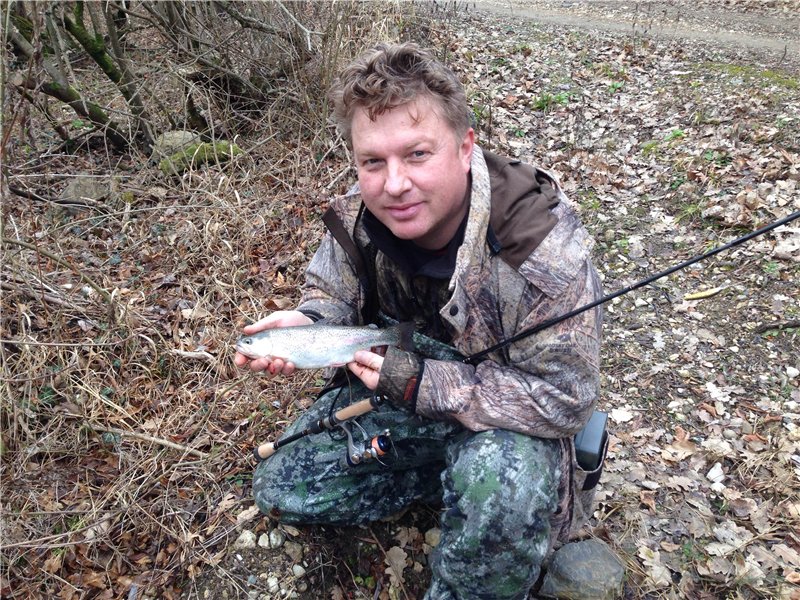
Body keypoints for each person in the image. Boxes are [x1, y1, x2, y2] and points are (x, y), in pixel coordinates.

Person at [236, 42, 608, 600]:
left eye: (416, 154)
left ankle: (490, 521)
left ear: (465, 147)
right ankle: (446, 477)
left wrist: (424, 384)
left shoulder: (541, 251)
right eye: (372, 162)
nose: (394, 184)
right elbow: (331, 295)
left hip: (508, 425)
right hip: (398, 393)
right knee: (280, 485)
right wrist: (309, 323)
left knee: (497, 490)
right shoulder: (357, 216)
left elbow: (564, 399)